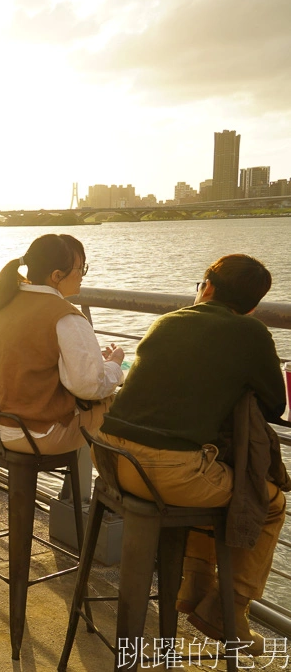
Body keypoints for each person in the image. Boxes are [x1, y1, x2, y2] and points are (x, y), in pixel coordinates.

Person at [98, 254, 287, 652]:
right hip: (168, 477)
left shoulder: (167, 321)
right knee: (268, 502)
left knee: (216, 472)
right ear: (252, 306)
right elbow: (273, 404)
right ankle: (227, 609)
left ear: (208, 286)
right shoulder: (251, 333)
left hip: (114, 462)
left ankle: (194, 585)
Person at [0, 233, 122, 454]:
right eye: (80, 269)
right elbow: (88, 386)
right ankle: (95, 486)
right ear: (57, 275)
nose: (82, 276)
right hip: (30, 433)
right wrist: (115, 365)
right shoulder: (65, 316)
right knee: (112, 403)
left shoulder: (3, 302)